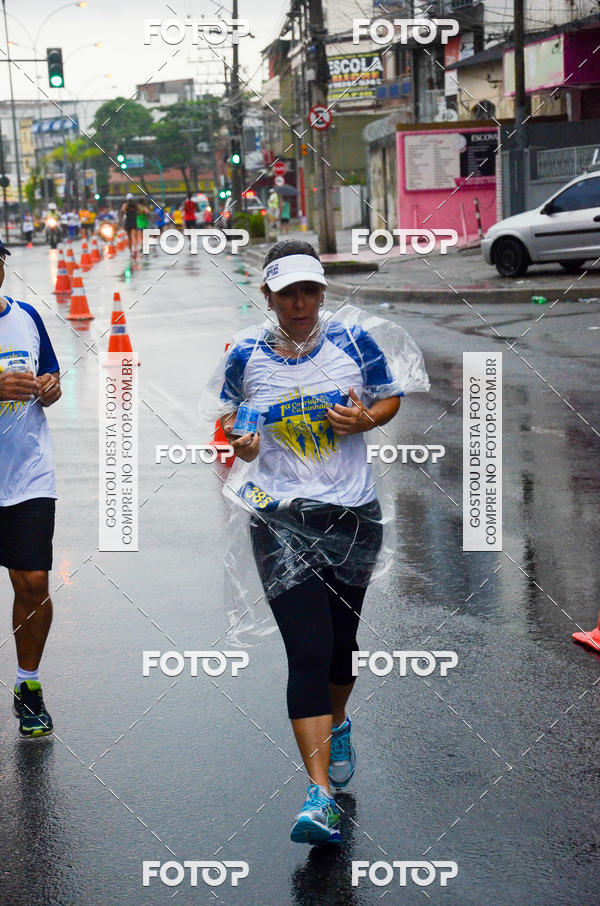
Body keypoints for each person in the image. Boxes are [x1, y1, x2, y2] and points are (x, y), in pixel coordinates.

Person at [211, 239, 429, 845]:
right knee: (307, 650)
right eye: (288, 293)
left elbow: (390, 397)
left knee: (342, 648)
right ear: (268, 296)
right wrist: (243, 445)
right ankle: (319, 796)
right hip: (277, 517)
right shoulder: (246, 355)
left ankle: (337, 724)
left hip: (353, 514)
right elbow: (232, 418)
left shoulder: (355, 342)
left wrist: (367, 419)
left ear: (322, 292)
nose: (301, 303)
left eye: (310, 290)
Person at [0, 237, 62, 738]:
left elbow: (53, 375)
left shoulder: (27, 316)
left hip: (27, 479)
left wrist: (51, 387)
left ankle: (29, 685)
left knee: (34, 584)